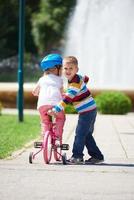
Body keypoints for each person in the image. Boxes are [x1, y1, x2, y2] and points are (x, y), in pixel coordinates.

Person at [48, 56, 104, 164]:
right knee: (86, 134)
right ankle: (97, 156)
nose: (68, 71)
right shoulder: (77, 78)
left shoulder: (75, 82)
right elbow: (86, 78)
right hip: (90, 109)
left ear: (76, 69)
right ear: (62, 69)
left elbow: (68, 98)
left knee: (80, 133)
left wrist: (56, 109)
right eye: (66, 68)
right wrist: (82, 85)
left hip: (87, 111)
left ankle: (77, 156)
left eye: (71, 68)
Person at [32, 53, 65, 140]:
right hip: (55, 105)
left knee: (45, 121)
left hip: (42, 105)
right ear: (55, 69)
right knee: (61, 118)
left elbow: (34, 92)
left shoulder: (41, 79)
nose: (62, 71)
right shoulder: (60, 80)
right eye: (61, 68)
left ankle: (45, 138)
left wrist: (39, 94)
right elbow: (62, 93)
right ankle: (57, 136)